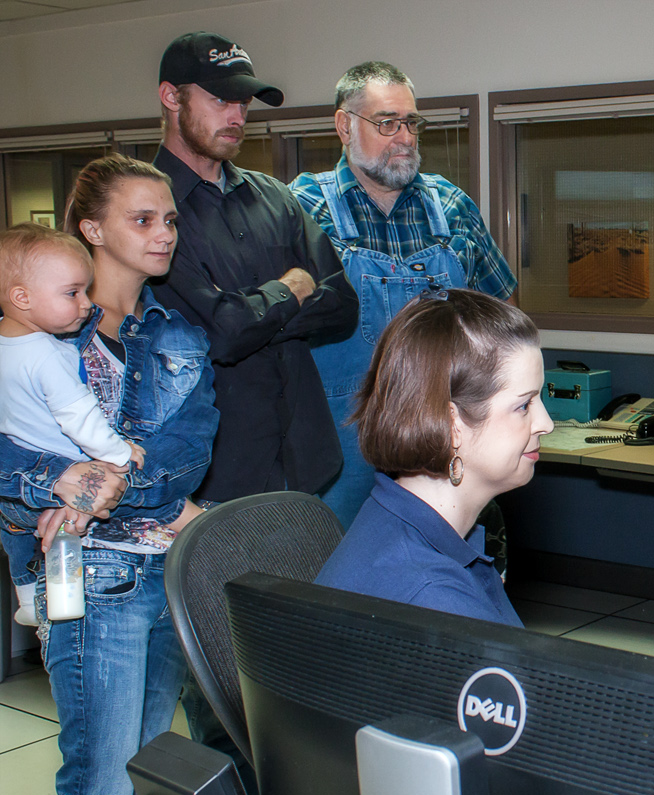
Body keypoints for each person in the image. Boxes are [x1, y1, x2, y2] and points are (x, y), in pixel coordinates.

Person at [0, 155, 219, 795]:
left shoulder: (180, 335)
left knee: (133, 788)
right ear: (91, 228)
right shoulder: (36, 330)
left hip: (163, 576)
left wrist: (96, 488)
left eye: (170, 220)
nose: (164, 234)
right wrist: (51, 479)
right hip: (93, 582)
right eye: (142, 219)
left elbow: (186, 459)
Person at [291, 61, 516, 527]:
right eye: (387, 123)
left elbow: (502, 316)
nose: (406, 138)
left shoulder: (452, 206)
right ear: (344, 125)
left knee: (444, 575)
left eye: (412, 123)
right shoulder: (302, 207)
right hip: (339, 444)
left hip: (441, 436)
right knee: (339, 576)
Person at [150, 31, 358, 504]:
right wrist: (290, 291)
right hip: (214, 477)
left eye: (243, 103)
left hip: (305, 463)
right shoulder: (148, 210)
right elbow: (221, 333)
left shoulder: (275, 197)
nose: (237, 116)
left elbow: (344, 306)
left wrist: (250, 313)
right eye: (221, 99)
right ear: (170, 97)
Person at [316, 290, 551, 623]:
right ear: (452, 422)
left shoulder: (394, 525)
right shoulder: (434, 600)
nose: (546, 424)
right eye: (524, 405)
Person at [0, 225, 144, 627]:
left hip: (15, 484)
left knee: (13, 533)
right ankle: (61, 603)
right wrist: (118, 451)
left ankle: (28, 598)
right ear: (21, 298)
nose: (85, 304)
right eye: (72, 292)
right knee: (64, 542)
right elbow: (78, 416)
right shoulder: (49, 353)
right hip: (60, 478)